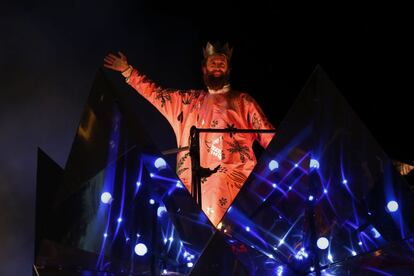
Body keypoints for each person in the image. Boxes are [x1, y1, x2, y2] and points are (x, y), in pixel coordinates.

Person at [103, 42, 275, 226]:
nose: (217, 66)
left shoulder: (243, 102)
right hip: (193, 188)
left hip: (237, 185)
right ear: (204, 68)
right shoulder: (187, 102)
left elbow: (268, 135)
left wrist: (292, 161)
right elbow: (157, 94)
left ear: (228, 69)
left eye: (221, 63)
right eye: (213, 63)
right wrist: (129, 72)